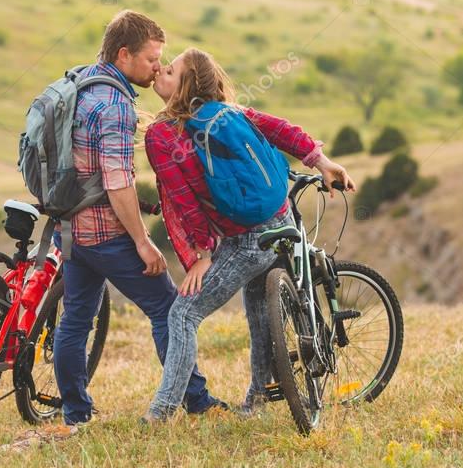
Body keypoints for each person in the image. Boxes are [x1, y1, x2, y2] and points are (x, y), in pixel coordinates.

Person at [142, 47, 355, 421]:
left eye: (171, 71)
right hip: (282, 216)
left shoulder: (163, 136)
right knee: (258, 311)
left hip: (247, 239)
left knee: (183, 313)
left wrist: (202, 254)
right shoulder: (231, 112)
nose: (161, 70)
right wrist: (323, 162)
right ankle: (257, 399)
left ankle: (160, 414)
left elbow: (185, 201)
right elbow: (281, 130)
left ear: (186, 86)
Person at [52, 11, 226, 426]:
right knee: (169, 309)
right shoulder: (115, 106)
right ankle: (195, 400)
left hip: (70, 230)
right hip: (107, 235)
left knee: (76, 318)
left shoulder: (80, 82)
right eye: (151, 59)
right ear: (124, 53)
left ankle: (76, 413)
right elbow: (116, 183)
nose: (155, 69)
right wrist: (142, 242)